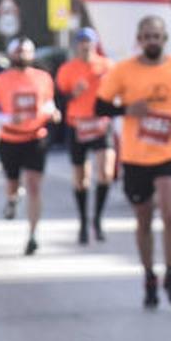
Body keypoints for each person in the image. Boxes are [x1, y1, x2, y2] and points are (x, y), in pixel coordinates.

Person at [96, 15, 171, 308]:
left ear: (164, 39)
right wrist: (127, 108)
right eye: (147, 36)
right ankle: (149, 275)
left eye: (157, 36)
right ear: (139, 40)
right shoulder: (123, 71)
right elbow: (100, 104)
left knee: (169, 212)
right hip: (136, 154)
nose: (152, 41)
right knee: (143, 218)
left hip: (170, 150)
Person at [0, 36, 58, 255]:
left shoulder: (43, 78)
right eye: (18, 52)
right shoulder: (0, 81)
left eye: (26, 51)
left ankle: (33, 235)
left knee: (34, 187)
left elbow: (48, 102)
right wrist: (7, 119)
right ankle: (11, 199)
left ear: (32, 55)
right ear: (10, 55)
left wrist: (51, 112)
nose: (22, 55)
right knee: (13, 184)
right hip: (10, 138)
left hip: (36, 137)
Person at [56, 27, 115, 244]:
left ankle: (97, 220)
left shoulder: (107, 66)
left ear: (94, 44)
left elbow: (117, 91)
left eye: (88, 41)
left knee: (106, 172)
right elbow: (59, 99)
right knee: (81, 179)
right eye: (81, 42)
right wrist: (74, 93)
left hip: (100, 124)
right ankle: (83, 221)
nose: (85, 45)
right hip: (77, 125)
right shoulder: (67, 69)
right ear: (76, 45)